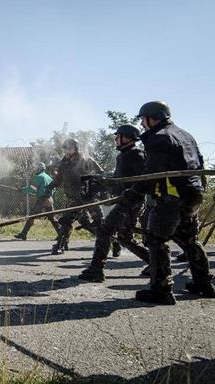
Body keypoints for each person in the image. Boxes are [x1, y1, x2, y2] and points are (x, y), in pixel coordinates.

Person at [128, 101, 215, 304]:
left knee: (156, 240)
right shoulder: (186, 135)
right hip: (193, 194)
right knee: (189, 240)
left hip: (171, 196)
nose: (142, 123)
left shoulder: (159, 138)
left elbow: (152, 173)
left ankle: (161, 290)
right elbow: (199, 164)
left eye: (143, 119)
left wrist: (134, 193)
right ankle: (204, 284)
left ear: (152, 117)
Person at [79, 124, 150, 282]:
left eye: (118, 136)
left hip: (131, 202)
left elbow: (144, 179)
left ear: (128, 137)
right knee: (124, 238)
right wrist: (103, 181)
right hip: (125, 201)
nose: (116, 139)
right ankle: (155, 263)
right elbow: (120, 179)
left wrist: (130, 192)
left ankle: (96, 270)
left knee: (104, 230)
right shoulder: (123, 155)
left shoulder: (136, 154)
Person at [48, 138, 104, 254]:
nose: (66, 151)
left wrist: (97, 187)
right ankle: (61, 245)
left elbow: (101, 175)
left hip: (88, 197)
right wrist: (51, 185)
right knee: (66, 221)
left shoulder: (86, 160)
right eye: (65, 149)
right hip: (73, 198)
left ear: (75, 149)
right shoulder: (63, 164)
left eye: (69, 148)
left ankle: (112, 243)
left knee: (98, 222)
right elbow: (59, 178)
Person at [14, 162, 59, 240]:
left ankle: (23, 234)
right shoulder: (48, 177)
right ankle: (61, 233)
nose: (35, 169)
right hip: (49, 199)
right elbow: (54, 189)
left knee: (32, 216)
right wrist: (44, 193)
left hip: (41, 200)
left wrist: (22, 190)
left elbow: (32, 189)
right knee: (52, 218)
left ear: (39, 168)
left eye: (36, 168)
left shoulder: (39, 177)